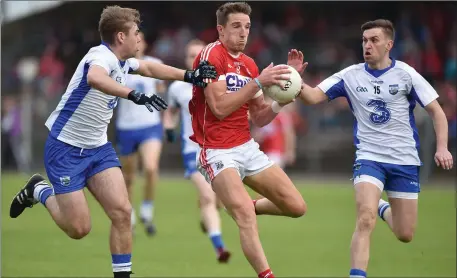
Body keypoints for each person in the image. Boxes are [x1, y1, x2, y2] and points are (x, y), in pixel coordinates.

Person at [8, 5, 216, 278]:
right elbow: (95, 78)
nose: (140, 37)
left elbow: (150, 68)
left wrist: (190, 75)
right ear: (120, 36)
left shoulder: (124, 62)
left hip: (98, 149)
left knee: (122, 213)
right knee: (79, 229)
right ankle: (38, 191)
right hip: (65, 149)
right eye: (136, 32)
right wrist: (132, 94)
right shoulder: (100, 56)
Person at [290, 19, 454, 278]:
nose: (367, 45)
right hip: (369, 157)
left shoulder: (406, 74)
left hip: (404, 160)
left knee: (405, 234)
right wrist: (294, 79)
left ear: (389, 44)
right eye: (364, 40)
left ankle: (380, 206)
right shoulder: (350, 75)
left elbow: (437, 112)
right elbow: (311, 97)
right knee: (364, 219)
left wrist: (442, 147)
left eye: (374, 40)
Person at [189, 3, 307, 278]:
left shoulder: (248, 64)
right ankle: (266, 275)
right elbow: (218, 107)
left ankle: (247, 204)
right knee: (244, 216)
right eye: (236, 26)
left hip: (246, 147)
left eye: (247, 27)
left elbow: (261, 117)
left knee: (296, 207)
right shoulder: (210, 56)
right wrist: (257, 82)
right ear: (220, 29)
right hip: (216, 151)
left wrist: (285, 93)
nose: (243, 33)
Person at [163, 38, 231, 263]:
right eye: (190, 55)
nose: (195, 59)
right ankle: (220, 248)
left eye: (199, 54)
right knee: (207, 196)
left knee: (218, 200)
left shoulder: (218, 83)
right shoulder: (177, 86)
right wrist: (169, 128)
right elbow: (170, 112)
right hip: (192, 151)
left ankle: (207, 213)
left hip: (219, 151)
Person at [115, 31, 166, 236]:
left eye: (140, 39)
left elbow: (162, 87)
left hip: (149, 126)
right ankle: (131, 216)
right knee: (128, 177)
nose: (137, 42)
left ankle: (147, 209)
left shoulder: (153, 63)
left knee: (151, 168)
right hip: (126, 127)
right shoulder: (118, 65)